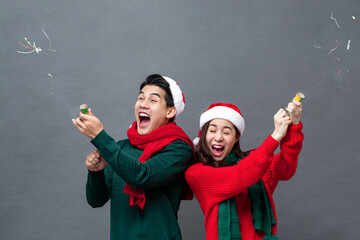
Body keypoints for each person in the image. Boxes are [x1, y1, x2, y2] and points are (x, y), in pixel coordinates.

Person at [72, 74, 194, 240]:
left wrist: (100, 137)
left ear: (170, 111)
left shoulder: (179, 149)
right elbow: (96, 200)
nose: (143, 104)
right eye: (141, 98)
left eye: (153, 100)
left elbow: (142, 175)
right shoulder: (121, 148)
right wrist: (96, 172)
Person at [185, 101, 304, 240]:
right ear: (204, 136)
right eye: (212, 131)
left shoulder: (256, 161)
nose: (218, 137)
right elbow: (238, 176)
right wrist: (275, 136)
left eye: (226, 132)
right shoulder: (196, 173)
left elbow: (285, 168)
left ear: (236, 138)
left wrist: (294, 127)